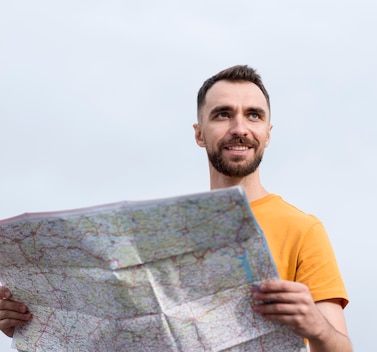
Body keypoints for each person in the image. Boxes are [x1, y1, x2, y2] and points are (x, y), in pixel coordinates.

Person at [0, 65, 352, 352]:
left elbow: (341, 346)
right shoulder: (160, 233)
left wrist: (316, 327)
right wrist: (31, 321)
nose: (240, 128)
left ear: (268, 133)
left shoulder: (302, 229)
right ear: (200, 134)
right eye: (223, 114)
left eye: (254, 116)